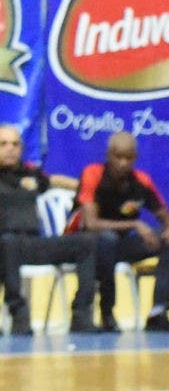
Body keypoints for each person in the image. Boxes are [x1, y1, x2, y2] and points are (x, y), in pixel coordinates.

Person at [70, 132, 169, 332]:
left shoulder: (141, 181)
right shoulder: (93, 174)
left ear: (135, 158)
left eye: (128, 158)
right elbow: (91, 224)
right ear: (108, 155)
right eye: (118, 157)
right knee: (107, 239)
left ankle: (158, 311)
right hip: (87, 245)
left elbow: (165, 216)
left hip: (118, 245)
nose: (123, 163)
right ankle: (107, 313)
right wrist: (134, 225)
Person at [0, 125, 99, 334]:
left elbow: (55, 181)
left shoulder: (30, 174)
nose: (10, 148)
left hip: (33, 243)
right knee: (7, 242)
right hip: (4, 244)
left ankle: (81, 314)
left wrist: (87, 188)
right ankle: (18, 314)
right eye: (3, 144)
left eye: (15, 144)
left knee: (86, 242)